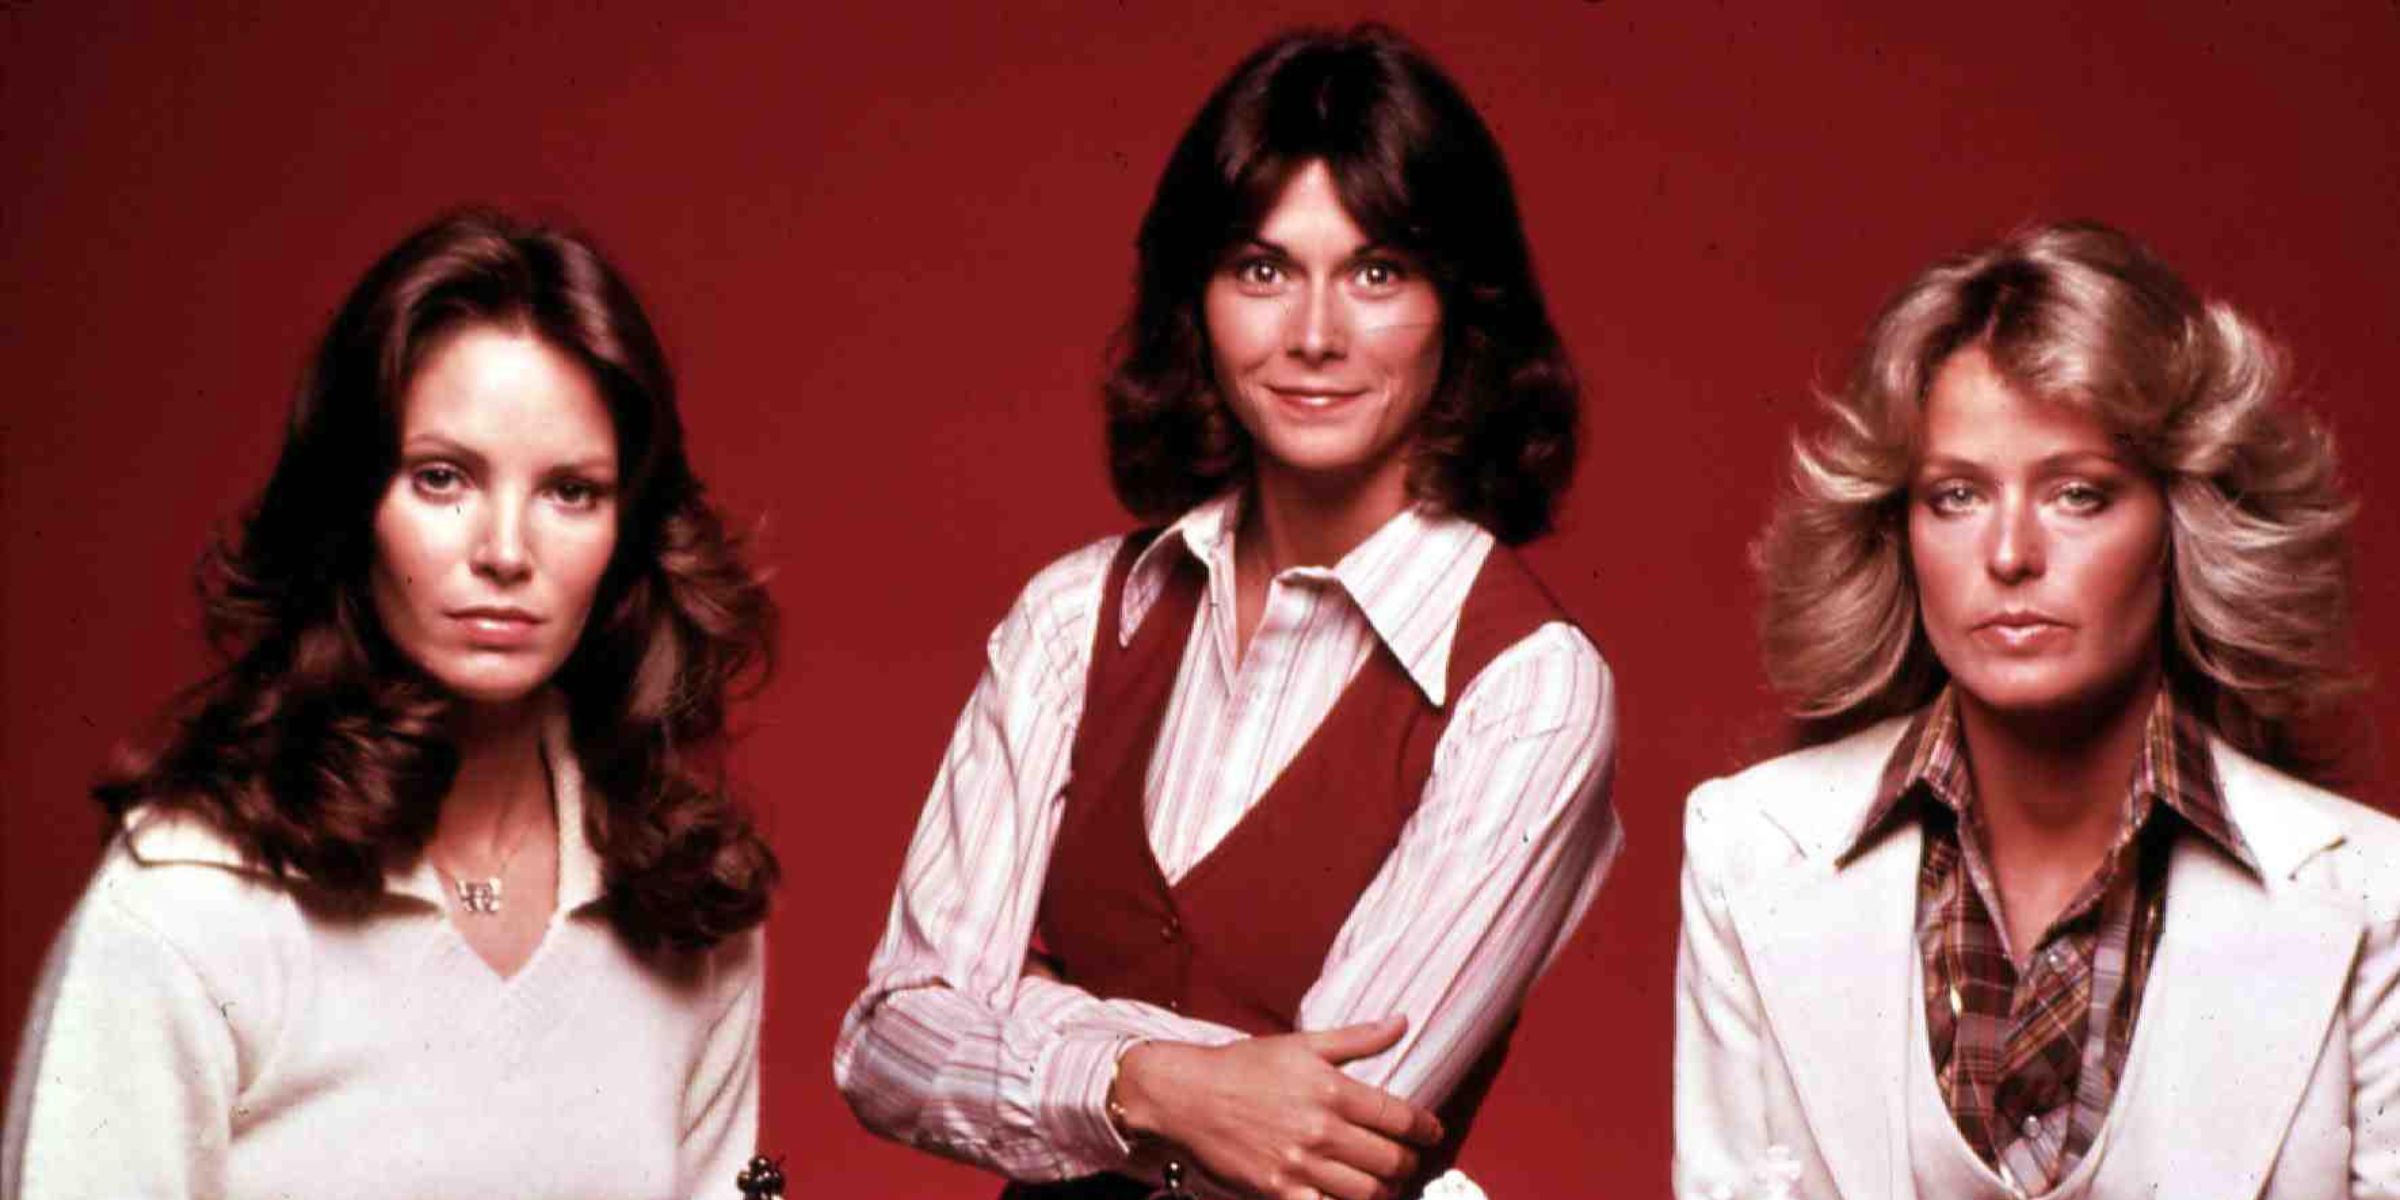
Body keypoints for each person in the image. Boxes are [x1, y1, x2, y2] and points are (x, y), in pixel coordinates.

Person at [834, 24, 1620, 1200]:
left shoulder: (1528, 688)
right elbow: (889, 1041)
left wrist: (1029, 1024)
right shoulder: (1075, 619)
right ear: (1194, 302)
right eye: (1262, 270)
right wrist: (1153, 1086)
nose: (1314, 334)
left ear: (1462, 308)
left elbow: (1327, 1139)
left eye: (1377, 273)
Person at [1, 211, 779, 1199]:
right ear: (352, 502)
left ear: (629, 531)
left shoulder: (686, 901)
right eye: (441, 478)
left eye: (571, 491)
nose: (506, 551)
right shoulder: (191, 903)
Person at [1674, 220, 2395, 1198]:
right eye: (1956, 496)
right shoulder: (1748, 849)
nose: (2011, 554)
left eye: (2078, 495)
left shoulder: (2373, 896)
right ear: (1898, 527)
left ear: (2183, 520)